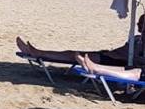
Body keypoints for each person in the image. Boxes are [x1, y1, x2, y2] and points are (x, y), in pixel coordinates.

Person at [16, 14, 144, 66]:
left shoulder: (141, 43)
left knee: (73, 55)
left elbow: (136, 60)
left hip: (114, 61)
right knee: (72, 52)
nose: (137, 25)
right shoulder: (138, 38)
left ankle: (38, 53)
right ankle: (38, 52)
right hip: (108, 55)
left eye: (140, 23)